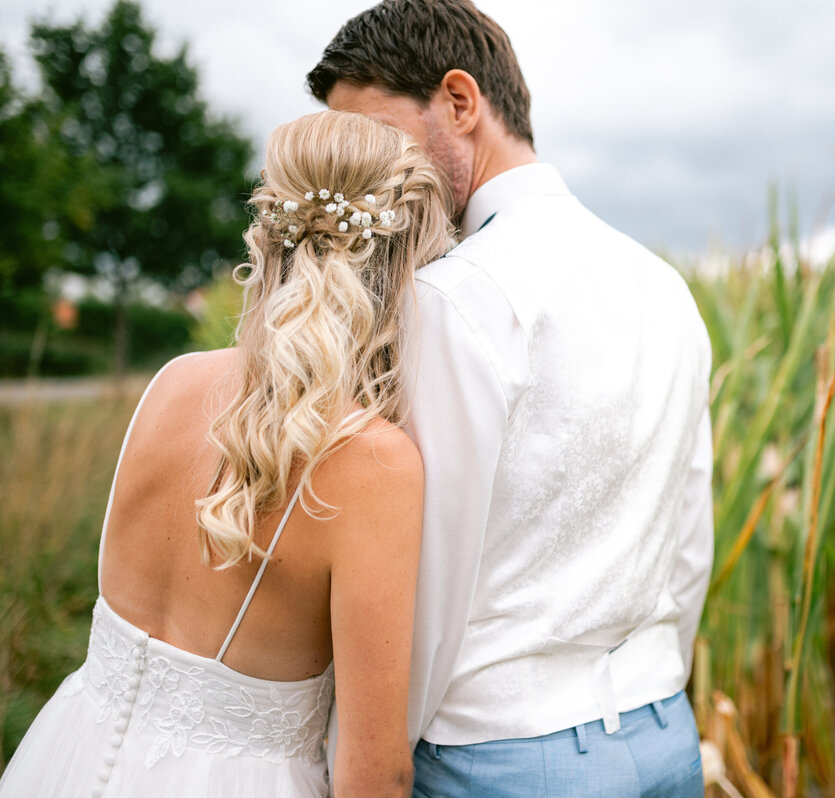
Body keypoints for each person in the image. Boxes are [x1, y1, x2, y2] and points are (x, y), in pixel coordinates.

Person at [308, 2, 714, 794]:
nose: (365, 176)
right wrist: (652, 683)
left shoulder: (456, 297)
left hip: (499, 757)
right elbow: (689, 536)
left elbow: (431, 579)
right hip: (665, 734)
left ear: (460, 102)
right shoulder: (664, 286)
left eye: (373, 138)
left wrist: (370, 766)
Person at [0, 110, 454, 798]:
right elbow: (376, 776)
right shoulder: (374, 463)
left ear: (268, 234)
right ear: (402, 269)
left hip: (67, 756)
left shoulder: (171, 381)